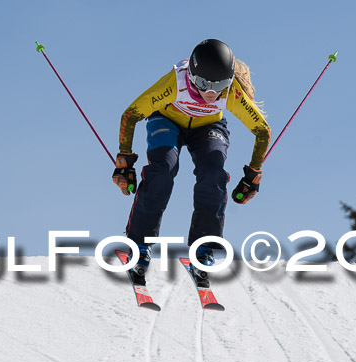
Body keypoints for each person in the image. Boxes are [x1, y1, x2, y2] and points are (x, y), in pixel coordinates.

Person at [112, 39, 271, 280]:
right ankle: (139, 244)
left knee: (213, 174)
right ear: (192, 75)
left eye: (219, 85)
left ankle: (203, 248)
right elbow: (131, 114)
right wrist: (124, 160)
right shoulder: (175, 83)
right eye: (202, 83)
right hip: (167, 120)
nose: (210, 92)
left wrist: (253, 175)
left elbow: (262, 130)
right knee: (162, 172)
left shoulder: (230, 92)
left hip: (208, 126)